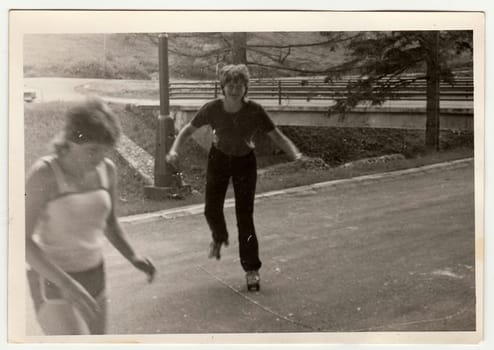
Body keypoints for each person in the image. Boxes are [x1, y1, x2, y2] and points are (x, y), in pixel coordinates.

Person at [25, 97, 156, 335]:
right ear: (71, 141)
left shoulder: (107, 170)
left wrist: (133, 256)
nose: (98, 159)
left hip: (95, 274)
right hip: (52, 281)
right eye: (92, 151)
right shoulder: (44, 174)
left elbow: (110, 222)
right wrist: (66, 284)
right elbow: (19, 240)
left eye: (104, 151)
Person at [166, 64, 303, 291]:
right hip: (219, 159)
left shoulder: (255, 111)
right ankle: (219, 236)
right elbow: (187, 130)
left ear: (245, 87)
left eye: (239, 84)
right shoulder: (212, 109)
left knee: (244, 216)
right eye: (230, 84)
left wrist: (295, 153)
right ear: (223, 86)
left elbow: (276, 135)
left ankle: (252, 270)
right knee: (211, 208)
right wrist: (174, 150)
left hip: (244, 163)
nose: (234, 88)